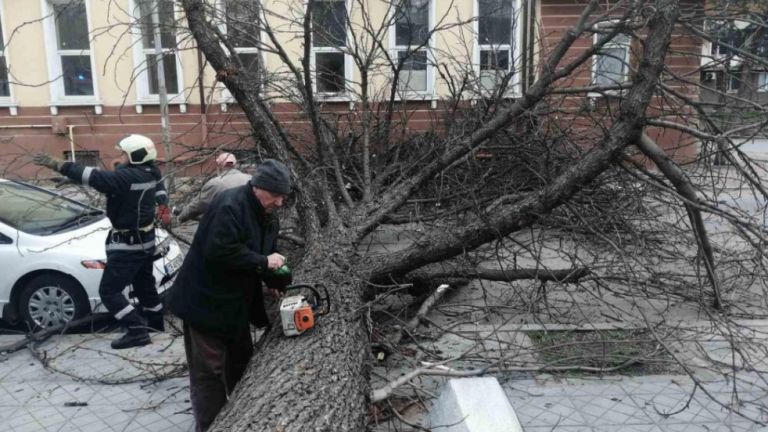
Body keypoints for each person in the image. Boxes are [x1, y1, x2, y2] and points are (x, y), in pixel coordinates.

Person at [167, 159, 292, 432]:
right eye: (276, 196)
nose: (280, 203)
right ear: (258, 187)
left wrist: (275, 278)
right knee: (209, 374)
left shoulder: (266, 213)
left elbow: (268, 249)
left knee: (241, 364)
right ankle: (210, 426)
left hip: (235, 305)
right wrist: (263, 262)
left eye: (283, 197)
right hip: (204, 303)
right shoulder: (229, 205)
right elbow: (220, 251)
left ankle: (242, 418)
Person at [33, 134, 172, 349]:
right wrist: (164, 206)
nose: (121, 156)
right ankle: (155, 324)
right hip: (145, 242)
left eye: (123, 153)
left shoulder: (126, 178)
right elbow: (155, 191)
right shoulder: (151, 172)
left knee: (109, 291)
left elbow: (96, 176)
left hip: (128, 247)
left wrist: (58, 165)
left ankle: (137, 330)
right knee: (144, 286)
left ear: (134, 156)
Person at [175, 152, 251, 224]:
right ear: (235, 164)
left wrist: (181, 218)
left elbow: (198, 205)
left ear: (219, 165)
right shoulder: (250, 179)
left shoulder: (216, 183)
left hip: (228, 225)